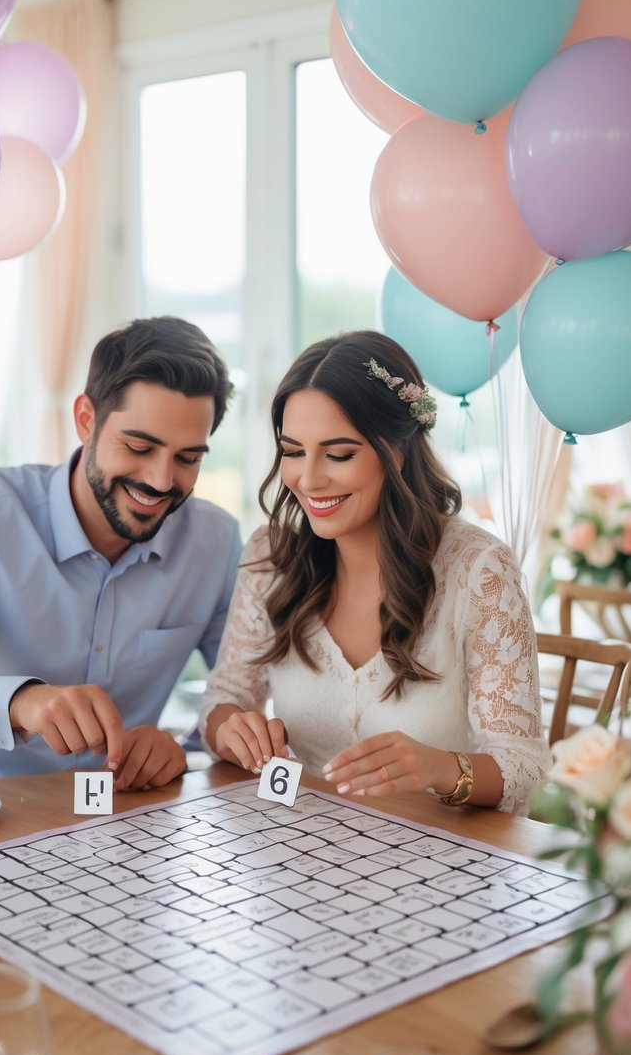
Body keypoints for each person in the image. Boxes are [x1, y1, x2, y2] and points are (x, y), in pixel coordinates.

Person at [0, 316, 242, 788]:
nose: (161, 480)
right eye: (139, 446)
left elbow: (242, 691)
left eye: (188, 458)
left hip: (129, 818)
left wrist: (183, 745)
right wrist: (15, 702)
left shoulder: (216, 541)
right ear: (86, 419)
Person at [200, 330, 550, 813]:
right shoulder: (271, 556)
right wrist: (231, 728)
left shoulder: (479, 570)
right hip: (302, 850)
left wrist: (440, 767)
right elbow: (226, 696)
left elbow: (524, 764)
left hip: (442, 858)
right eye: (293, 450)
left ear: (397, 452)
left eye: (339, 453)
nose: (309, 477)